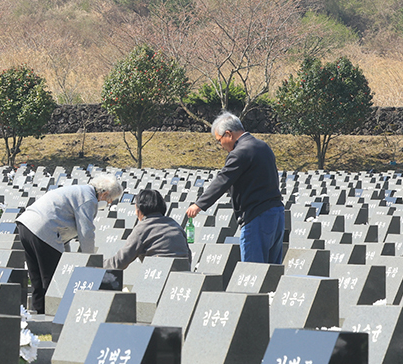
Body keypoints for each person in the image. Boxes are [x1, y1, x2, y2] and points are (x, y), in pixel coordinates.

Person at [186, 112, 285, 264]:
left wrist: (198, 205)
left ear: (228, 134)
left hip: (256, 216)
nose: (221, 145)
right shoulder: (263, 146)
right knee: (272, 270)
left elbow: (222, 180)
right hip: (277, 214)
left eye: (220, 140)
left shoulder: (239, 153)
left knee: (252, 270)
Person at [16, 173, 124, 314]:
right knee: (52, 277)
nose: (109, 203)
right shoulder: (89, 199)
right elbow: (86, 231)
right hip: (44, 230)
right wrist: (91, 261)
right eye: (110, 200)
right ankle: (52, 314)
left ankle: (39, 312)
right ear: (105, 194)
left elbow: (64, 228)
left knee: (36, 276)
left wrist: (66, 256)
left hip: (26, 225)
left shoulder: (80, 191)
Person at [103, 188, 192, 271]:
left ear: (140, 209)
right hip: (182, 273)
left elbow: (120, 261)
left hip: (157, 273)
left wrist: (98, 263)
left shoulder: (142, 228)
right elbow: (188, 255)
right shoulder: (175, 225)